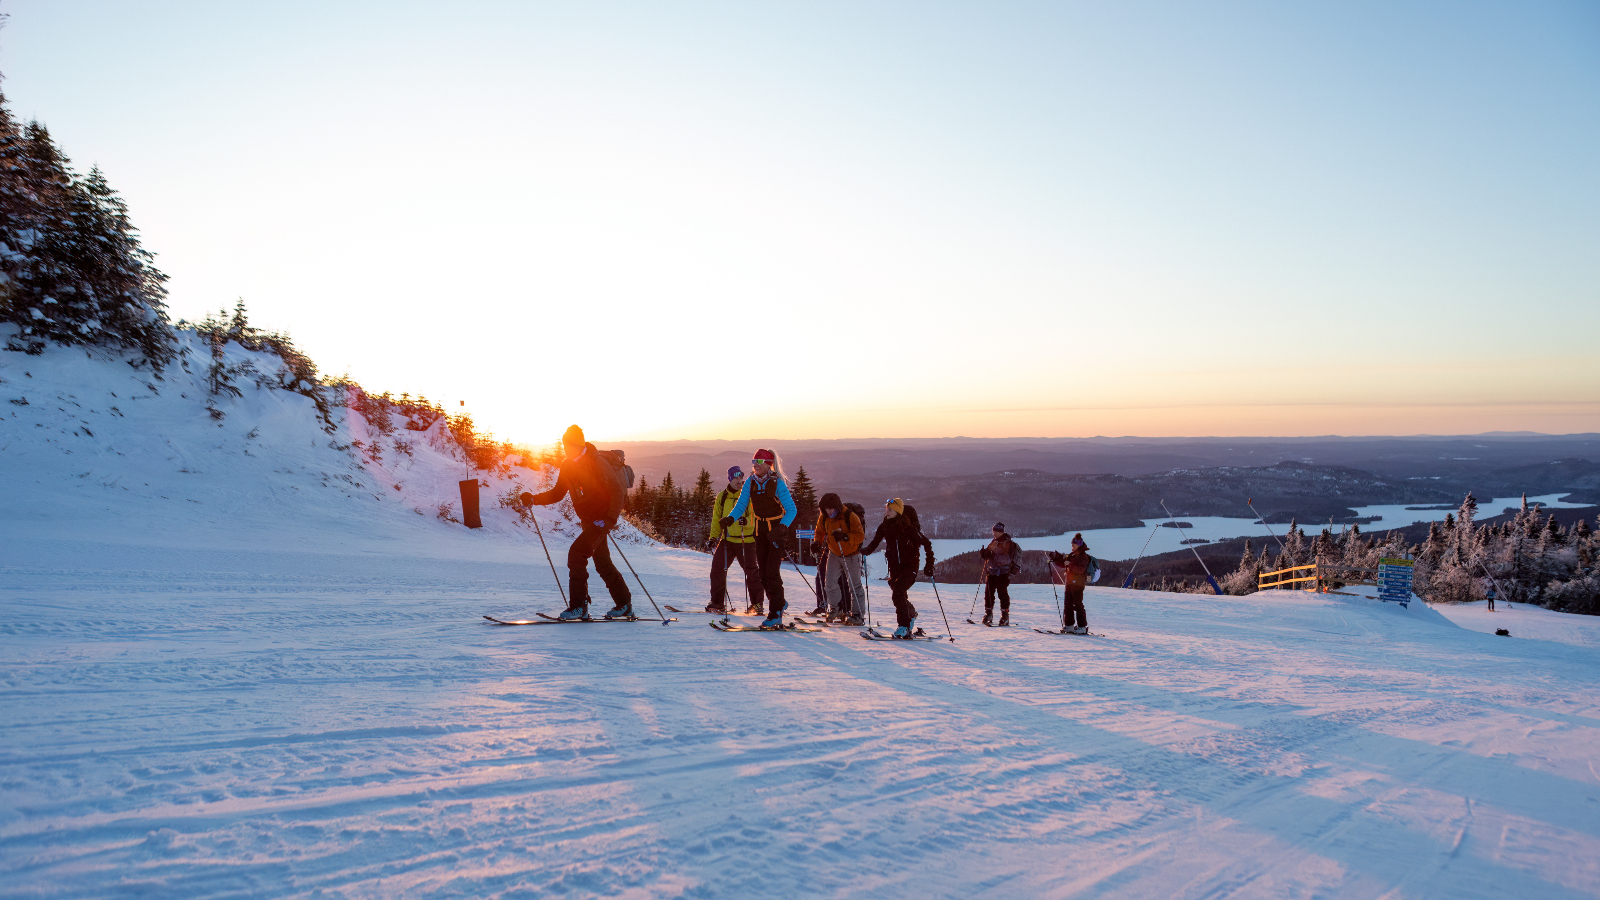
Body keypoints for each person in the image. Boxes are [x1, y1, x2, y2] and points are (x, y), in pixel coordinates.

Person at [522, 424, 632, 620]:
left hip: (600, 521)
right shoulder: (568, 464)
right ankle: (624, 604)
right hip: (589, 521)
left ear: (579, 445)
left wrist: (609, 520)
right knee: (603, 563)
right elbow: (557, 493)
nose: (566, 450)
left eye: (569, 446)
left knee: (576, 554)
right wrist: (534, 498)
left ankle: (579, 607)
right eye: (564, 446)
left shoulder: (596, 462)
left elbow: (617, 491)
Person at [719, 449, 797, 628]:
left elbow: (792, 510)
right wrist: (730, 519)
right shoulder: (750, 483)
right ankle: (780, 603)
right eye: (753, 461)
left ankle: (775, 613)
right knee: (762, 574)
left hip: (776, 531)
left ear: (768, 463)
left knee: (771, 572)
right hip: (760, 530)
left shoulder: (777, 483)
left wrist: (781, 528)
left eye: (759, 461)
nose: (755, 464)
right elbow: (741, 505)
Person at [861, 499, 935, 638]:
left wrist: (929, 565)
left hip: (910, 567)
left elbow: (927, 544)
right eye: (886, 509)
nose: (886, 512)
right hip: (895, 568)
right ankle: (910, 613)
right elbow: (875, 543)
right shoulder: (884, 527)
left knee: (898, 593)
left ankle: (904, 626)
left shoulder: (909, 528)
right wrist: (864, 551)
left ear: (898, 512)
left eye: (890, 510)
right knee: (899, 594)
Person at [707, 466, 763, 615]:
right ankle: (717, 603)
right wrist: (713, 538)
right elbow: (716, 519)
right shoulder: (722, 497)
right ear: (730, 479)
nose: (739, 481)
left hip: (746, 540)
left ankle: (757, 604)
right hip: (727, 540)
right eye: (736, 478)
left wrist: (748, 522)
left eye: (741, 478)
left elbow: (754, 516)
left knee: (751, 573)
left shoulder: (747, 496)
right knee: (717, 570)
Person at [813, 493, 865, 624]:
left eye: (831, 508)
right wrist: (817, 543)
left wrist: (845, 537)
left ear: (837, 507)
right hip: (834, 553)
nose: (829, 511)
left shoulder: (850, 516)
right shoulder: (824, 517)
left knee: (854, 585)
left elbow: (860, 536)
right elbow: (819, 531)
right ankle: (836, 609)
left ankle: (857, 615)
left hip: (851, 554)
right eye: (826, 509)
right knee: (829, 583)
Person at [979, 522, 1022, 626]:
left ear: (1001, 532)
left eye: (996, 532)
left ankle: (1005, 616)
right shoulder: (993, 542)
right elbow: (990, 556)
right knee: (988, 594)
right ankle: (988, 614)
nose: (994, 534)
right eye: (993, 532)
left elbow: (1007, 559)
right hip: (991, 571)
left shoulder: (1008, 543)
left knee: (1002, 594)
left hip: (1003, 573)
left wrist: (992, 555)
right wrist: (985, 554)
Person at [1050, 534, 1092, 634]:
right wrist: (1056, 559)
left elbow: (1080, 570)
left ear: (1078, 545)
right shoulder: (1072, 555)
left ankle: (1082, 627)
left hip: (1078, 584)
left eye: (1073, 545)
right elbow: (1064, 562)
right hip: (1069, 582)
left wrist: (1070, 564)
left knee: (1078, 605)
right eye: (1071, 545)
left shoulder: (1083, 556)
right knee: (1067, 604)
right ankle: (1069, 625)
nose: (1072, 547)